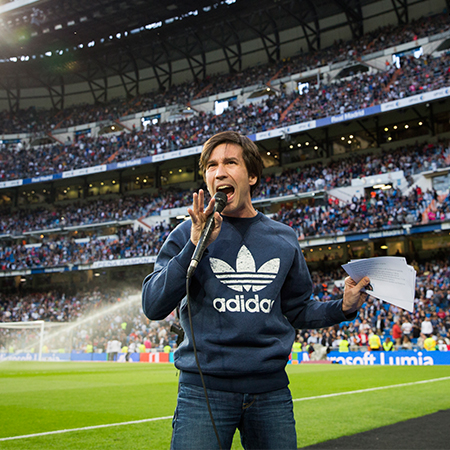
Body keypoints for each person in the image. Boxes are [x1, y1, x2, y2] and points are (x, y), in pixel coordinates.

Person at [142, 131, 370, 450]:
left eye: (230, 162)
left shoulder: (283, 238)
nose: (219, 172)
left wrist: (342, 307)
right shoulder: (186, 233)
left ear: (251, 175)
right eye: (211, 165)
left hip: (270, 393)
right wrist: (194, 245)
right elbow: (152, 305)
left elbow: (296, 310)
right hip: (203, 390)